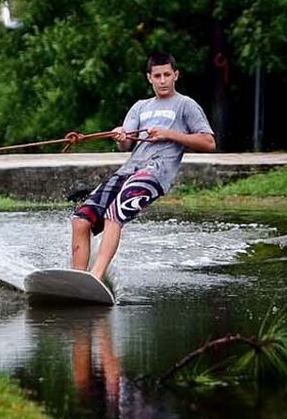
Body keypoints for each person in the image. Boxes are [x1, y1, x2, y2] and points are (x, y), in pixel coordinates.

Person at [68, 52, 215, 280]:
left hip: (156, 173)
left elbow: (209, 142)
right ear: (149, 78)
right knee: (81, 219)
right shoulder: (140, 107)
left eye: (167, 74)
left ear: (176, 75)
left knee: (114, 212)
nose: (163, 80)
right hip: (128, 170)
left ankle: (96, 276)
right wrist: (120, 135)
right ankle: (77, 279)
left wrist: (169, 134)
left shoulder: (186, 105)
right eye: (157, 76)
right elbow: (125, 144)